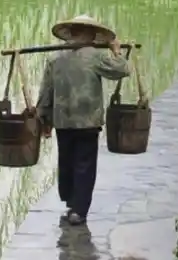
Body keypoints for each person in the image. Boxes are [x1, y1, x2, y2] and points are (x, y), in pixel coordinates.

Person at [36, 14, 130, 226]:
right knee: (84, 164)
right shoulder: (96, 56)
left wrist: (45, 119)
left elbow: (45, 92)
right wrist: (117, 51)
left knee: (67, 161)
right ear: (87, 34)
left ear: (71, 33)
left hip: (63, 121)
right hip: (87, 121)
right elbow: (122, 69)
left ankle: (71, 202)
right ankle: (79, 209)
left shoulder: (55, 57)